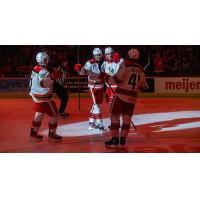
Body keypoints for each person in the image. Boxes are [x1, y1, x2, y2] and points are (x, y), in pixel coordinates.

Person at [105, 48, 147, 146]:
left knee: (114, 116)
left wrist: (107, 78)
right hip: (132, 98)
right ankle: (123, 139)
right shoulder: (141, 69)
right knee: (127, 119)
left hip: (121, 96)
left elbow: (118, 78)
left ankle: (115, 139)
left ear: (129, 55)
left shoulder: (125, 64)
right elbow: (143, 86)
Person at [29, 52, 62, 141]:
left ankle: (33, 132)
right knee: (55, 115)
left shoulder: (36, 68)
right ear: (43, 60)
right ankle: (52, 134)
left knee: (39, 114)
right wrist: (53, 77)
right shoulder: (44, 71)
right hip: (44, 97)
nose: (48, 61)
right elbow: (43, 83)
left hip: (36, 95)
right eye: (46, 59)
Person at [79, 48, 105, 131]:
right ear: (94, 55)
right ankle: (99, 123)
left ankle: (91, 123)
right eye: (96, 55)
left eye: (99, 55)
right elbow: (81, 72)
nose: (98, 56)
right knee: (96, 106)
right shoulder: (89, 62)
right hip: (93, 87)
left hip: (101, 86)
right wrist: (94, 74)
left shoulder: (103, 62)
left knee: (96, 106)